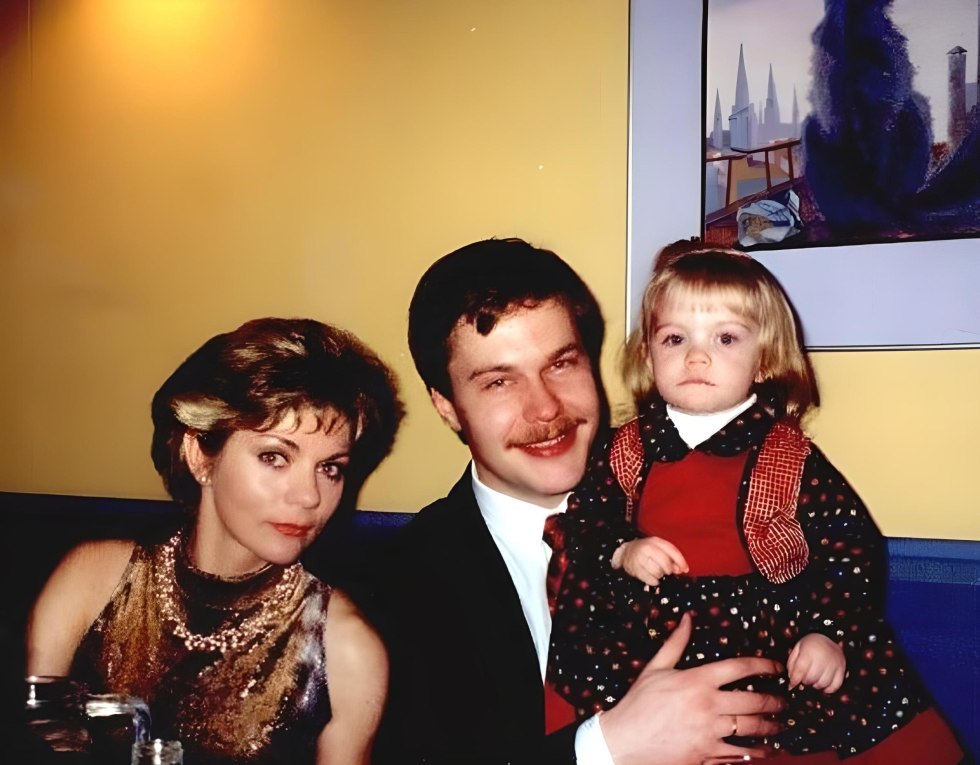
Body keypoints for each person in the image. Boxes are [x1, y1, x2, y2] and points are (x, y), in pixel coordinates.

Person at [358, 237, 786, 765]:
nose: (544, 408)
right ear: (446, 406)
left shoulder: (730, 493)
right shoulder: (394, 590)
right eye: (499, 382)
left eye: (561, 364)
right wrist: (607, 748)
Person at [548, 247, 966, 763]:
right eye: (675, 339)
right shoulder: (625, 449)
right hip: (644, 639)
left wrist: (827, 633)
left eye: (725, 339)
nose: (696, 357)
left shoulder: (789, 454)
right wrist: (621, 548)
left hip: (768, 632)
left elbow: (847, 550)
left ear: (764, 359)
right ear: (648, 355)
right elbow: (582, 521)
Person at [26, 317, 404, 765]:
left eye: (330, 468)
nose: (309, 497)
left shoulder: (345, 649)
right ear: (200, 456)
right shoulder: (91, 580)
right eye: (274, 457)